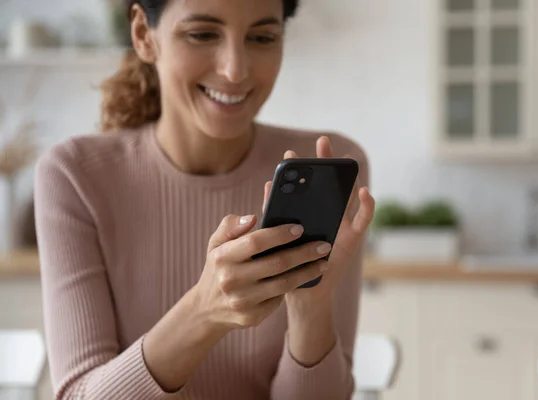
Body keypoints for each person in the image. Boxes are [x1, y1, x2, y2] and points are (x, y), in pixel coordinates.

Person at [34, 0, 375, 398]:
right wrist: (204, 311)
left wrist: (310, 309)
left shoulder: (324, 166)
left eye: (262, 37)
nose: (235, 69)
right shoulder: (74, 176)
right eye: (202, 34)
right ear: (144, 34)